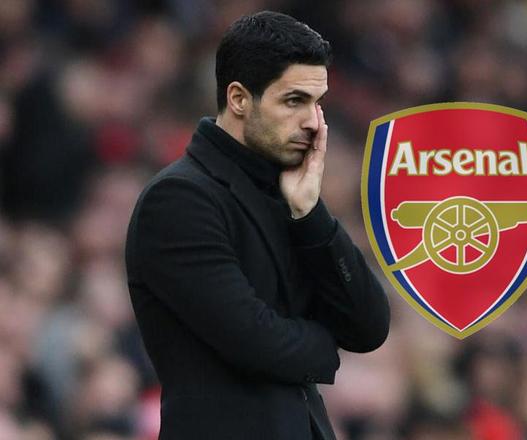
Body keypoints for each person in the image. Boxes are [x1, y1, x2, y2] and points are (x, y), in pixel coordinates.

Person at [124, 11, 390, 440]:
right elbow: (255, 341)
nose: (312, 121)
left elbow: (368, 326)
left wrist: (311, 217)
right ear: (239, 99)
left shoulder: (289, 195)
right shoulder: (178, 199)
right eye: (294, 101)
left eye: (317, 102)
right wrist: (326, 344)